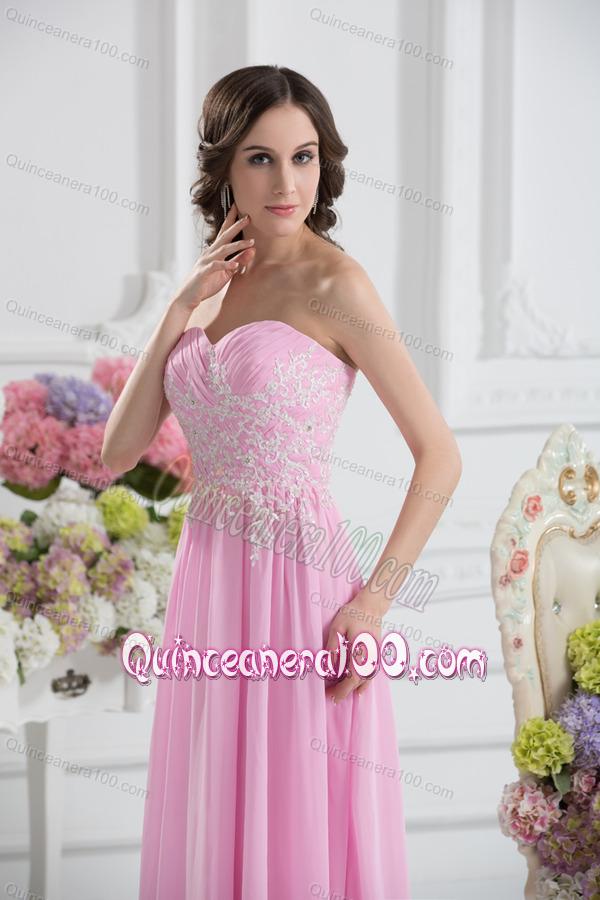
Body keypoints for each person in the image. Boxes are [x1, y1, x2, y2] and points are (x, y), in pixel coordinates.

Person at [102, 64, 462, 900]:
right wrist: (179, 307)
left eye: (304, 157)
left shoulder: (338, 284)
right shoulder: (208, 288)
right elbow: (120, 450)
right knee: (217, 803)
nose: (287, 182)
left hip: (300, 582)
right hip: (209, 582)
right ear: (224, 166)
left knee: (293, 809)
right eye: (261, 158)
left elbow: (440, 456)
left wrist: (372, 604)